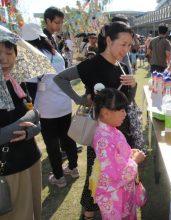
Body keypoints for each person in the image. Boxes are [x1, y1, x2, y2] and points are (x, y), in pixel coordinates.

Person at [54, 21, 137, 220]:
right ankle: (89, 214)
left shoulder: (123, 66)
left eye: (129, 45)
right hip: (100, 134)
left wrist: (133, 84)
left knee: (120, 173)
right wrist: (80, 99)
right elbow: (60, 78)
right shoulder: (91, 65)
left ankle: (116, 207)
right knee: (97, 174)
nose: (126, 50)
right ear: (109, 40)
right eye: (122, 44)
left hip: (122, 130)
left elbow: (128, 102)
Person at [21, 23, 79, 188]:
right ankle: (73, 168)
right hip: (64, 104)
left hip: (47, 109)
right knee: (68, 138)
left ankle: (59, 177)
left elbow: (31, 88)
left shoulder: (32, 57)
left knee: (52, 144)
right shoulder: (56, 54)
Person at [0, 40, 41, 220]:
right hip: (9, 166)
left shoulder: (17, 82)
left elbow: (37, 117)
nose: (4, 59)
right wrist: (25, 121)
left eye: (9, 54)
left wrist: (29, 131)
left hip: (31, 157)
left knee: (33, 209)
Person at [92, 88, 146, 219]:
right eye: (121, 111)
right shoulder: (103, 140)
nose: (125, 114)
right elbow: (114, 174)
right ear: (105, 113)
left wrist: (129, 153)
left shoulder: (111, 130)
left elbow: (117, 156)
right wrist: (135, 161)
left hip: (122, 191)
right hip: (113, 196)